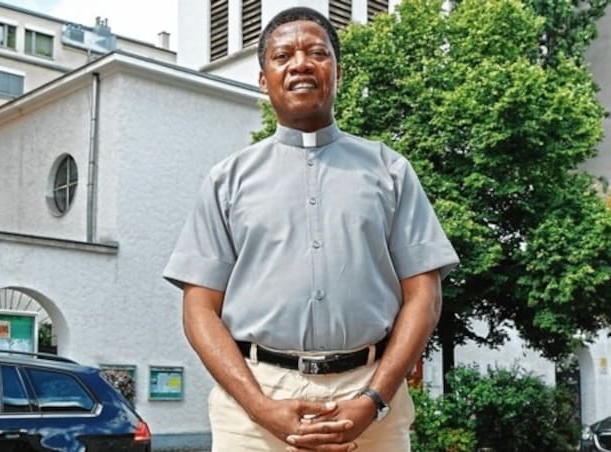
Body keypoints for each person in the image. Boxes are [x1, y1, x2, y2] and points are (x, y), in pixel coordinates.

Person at [163, 6, 458, 451]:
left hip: (369, 398)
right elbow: (199, 310)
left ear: (337, 72)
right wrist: (259, 405)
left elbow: (424, 294)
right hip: (255, 408)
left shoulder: (390, 171)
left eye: (317, 52)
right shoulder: (227, 181)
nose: (300, 63)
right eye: (283, 56)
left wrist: (373, 399)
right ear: (263, 79)